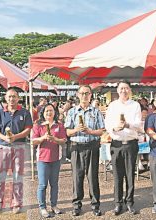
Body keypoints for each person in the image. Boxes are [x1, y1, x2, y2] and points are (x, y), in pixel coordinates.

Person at [0, 88, 33, 215]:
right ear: (5, 98)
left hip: (20, 147)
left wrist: (15, 137)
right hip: (3, 147)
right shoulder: (0, 113)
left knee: (18, 176)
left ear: (18, 98)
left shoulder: (24, 113)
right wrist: (5, 138)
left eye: (14, 96)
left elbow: (28, 129)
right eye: (9, 97)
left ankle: (17, 203)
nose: (11, 99)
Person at [65, 85, 105, 216]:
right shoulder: (72, 112)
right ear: (77, 95)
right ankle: (77, 204)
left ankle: (95, 204)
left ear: (91, 95)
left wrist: (90, 131)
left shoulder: (96, 111)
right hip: (76, 147)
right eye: (82, 93)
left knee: (93, 177)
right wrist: (76, 129)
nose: (84, 96)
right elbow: (67, 132)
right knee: (77, 177)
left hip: (92, 146)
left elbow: (101, 131)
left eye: (87, 93)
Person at [105, 80, 142, 215]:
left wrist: (127, 125)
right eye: (121, 88)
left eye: (126, 88)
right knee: (117, 175)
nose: (123, 91)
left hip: (131, 143)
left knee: (130, 175)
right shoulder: (112, 105)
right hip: (117, 144)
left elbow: (139, 125)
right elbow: (107, 123)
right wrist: (114, 128)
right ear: (117, 90)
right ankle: (118, 203)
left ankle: (130, 203)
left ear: (130, 90)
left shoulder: (135, 105)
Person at [32, 104, 67, 218]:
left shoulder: (59, 125)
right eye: (46, 111)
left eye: (51, 111)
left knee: (54, 184)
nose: (49, 113)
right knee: (42, 185)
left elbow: (63, 140)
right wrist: (43, 138)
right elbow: (33, 141)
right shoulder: (38, 125)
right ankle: (42, 207)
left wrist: (54, 139)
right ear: (43, 113)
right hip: (42, 159)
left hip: (55, 158)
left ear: (55, 112)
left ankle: (54, 205)